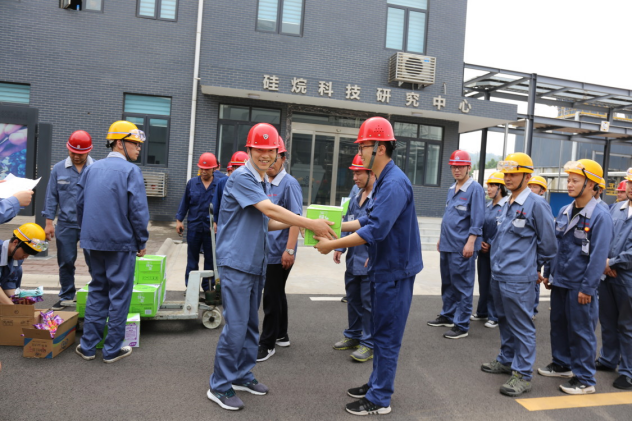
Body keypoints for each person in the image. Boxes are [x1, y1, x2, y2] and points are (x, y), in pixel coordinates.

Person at [207, 123, 335, 411]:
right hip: (237, 262)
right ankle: (219, 385)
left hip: (255, 262)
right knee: (236, 327)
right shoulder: (242, 177)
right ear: (249, 150)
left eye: (270, 150)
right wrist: (308, 222)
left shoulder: (261, 179)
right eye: (259, 149)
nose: (265, 155)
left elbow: (267, 222)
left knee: (251, 325)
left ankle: (241, 374)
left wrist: (305, 226)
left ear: (278, 153)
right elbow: (269, 209)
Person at [314, 116, 423, 416]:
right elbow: (366, 219)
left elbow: (375, 230)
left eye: (362, 146)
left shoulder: (393, 183)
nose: (359, 152)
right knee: (379, 330)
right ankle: (376, 384)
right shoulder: (384, 179)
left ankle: (380, 398)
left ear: (380, 148)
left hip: (394, 271)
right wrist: (335, 226)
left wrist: (332, 244)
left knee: (386, 336)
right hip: (384, 267)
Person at [480, 152, 557, 397]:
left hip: (519, 278)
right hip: (499, 275)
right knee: (504, 320)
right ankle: (506, 360)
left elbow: (549, 245)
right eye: (506, 174)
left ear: (527, 176)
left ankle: (522, 374)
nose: (508, 178)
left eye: (514, 174)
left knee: (522, 326)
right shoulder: (508, 202)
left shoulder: (537, 204)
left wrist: (531, 265)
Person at [75, 120, 149, 364]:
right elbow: (138, 211)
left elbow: (79, 205)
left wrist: (86, 232)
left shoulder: (91, 169)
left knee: (98, 289)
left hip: (93, 241)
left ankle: (88, 347)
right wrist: (141, 240)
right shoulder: (130, 171)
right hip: (120, 242)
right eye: (135, 143)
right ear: (119, 143)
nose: (138, 148)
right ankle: (111, 350)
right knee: (119, 295)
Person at [539, 159, 612, 394]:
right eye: (569, 180)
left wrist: (588, 288)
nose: (569, 184)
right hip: (561, 280)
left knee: (581, 330)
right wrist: (549, 272)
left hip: (580, 285)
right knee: (558, 324)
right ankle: (562, 363)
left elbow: (598, 256)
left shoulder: (600, 216)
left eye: (575, 181)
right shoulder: (564, 210)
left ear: (591, 185)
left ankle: (585, 379)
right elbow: (556, 245)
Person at [428, 150, 485, 339]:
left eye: (460, 166)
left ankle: (461, 325)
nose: (457, 170)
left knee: (462, 285)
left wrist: (471, 242)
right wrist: (441, 238)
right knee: (448, 283)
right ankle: (448, 315)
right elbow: (450, 216)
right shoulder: (452, 188)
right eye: (454, 167)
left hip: (462, 246)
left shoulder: (475, 189)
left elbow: (477, 219)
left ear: (469, 167)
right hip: (447, 243)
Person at [257, 137, 303, 362]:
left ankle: (267, 344)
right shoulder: (265, 181)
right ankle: (281, 334)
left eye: (275, 157)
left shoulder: (289, 184)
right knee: (277, 293)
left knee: (271, 296)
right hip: (268, 249)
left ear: (283, 158)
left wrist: (290, 250)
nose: (270, 162)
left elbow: (296, 219)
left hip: (280, 251)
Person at [42, 130, 94, 311]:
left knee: (95, 262)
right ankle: (66, 295)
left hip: (90, 224)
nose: (76, 157)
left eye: (80, 154)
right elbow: (51, 196)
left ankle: (97, 295)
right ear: (68, 149)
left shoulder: (96, 168)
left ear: (88, 151)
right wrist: (49, 223)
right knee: (65, 261)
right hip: (65, 224)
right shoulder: (58, 169)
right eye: (73, 153)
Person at [332, 155, 376, 362]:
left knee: (369, 304)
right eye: (354, 173)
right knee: (354, 300)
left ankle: (369, 343)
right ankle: (353, 335)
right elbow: (347, 222)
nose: (354, 177)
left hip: (368, 259)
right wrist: (340, 246)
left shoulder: (378, 198)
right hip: (353, 259)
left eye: (358, 173)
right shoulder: (355, 197)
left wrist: (374, 253)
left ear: (371, 173)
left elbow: (379, 229)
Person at [597, 167, 632, 390]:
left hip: (628, 276)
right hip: (608, 273)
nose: (630, 187)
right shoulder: (615, 209)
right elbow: (603, 237)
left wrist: (611, 262)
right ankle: (609, 359)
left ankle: (628, 371)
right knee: (608, 320)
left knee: (627, 325)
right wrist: (604, 262)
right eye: (630, 182)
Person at [176, 153, 222, 298]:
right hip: (194, 227)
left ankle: (208, 288)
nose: (203, 171)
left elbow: (222, 206)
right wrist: (179, 220)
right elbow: (185, 202)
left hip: (211, 229)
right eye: (201, 168)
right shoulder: (192, 183)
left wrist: (218, 222)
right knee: (192, 259)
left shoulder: (219, 185)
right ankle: (191, 287)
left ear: (214, 168)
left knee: (210, 259)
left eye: (207, 169)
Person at [472, 172, 508, 328]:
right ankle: (482, 311)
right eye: (488, 185)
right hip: (483, 251)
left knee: (495, 284)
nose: (489, 189)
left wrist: (492, 244)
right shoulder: (487, 206)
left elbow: (505, 229)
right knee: (483, 282)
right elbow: (479, 224)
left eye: (492, 185)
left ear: (501, 188)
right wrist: (480, 241)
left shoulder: (507, 206)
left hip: (498, 252)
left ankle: (495, 316)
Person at [0, 223, 47, 305]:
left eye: (29, 254)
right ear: (15, 242)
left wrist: (20, 298)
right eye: (25, 252)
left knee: (18, 271)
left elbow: (8, 284)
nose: (26, 256)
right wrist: (12, 307)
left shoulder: (17, 259)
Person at [527, 175, 548, 319]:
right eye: (529, 186)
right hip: (526, 254)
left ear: (542, 191)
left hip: (536, 254)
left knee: (535, 281)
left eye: (534, 187)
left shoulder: (542, 206)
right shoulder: (525, 204)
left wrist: (539, 262)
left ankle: (532, 310)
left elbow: (546, 237)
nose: (531, 189)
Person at [212, 151, 248, 227]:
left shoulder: (250, 184)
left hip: (243, 223)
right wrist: (214, 221)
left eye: (244, 169)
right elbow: (216, 203)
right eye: (238, 168)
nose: (241, 171)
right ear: (232, 168)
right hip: (225, 222)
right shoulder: (222, 182)